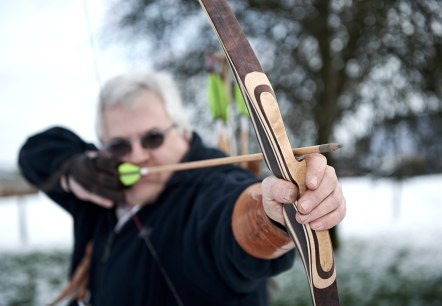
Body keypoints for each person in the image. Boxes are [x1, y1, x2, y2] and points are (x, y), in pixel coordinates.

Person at [18, 72, 346, 306]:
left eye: (153, 138)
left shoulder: (211, 183)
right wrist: (73, 169)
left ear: (184, 132)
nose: (136, 155)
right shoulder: (99, 188)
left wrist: (274, 212)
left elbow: (235, 215)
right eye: (118, 145)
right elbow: (35, 152)